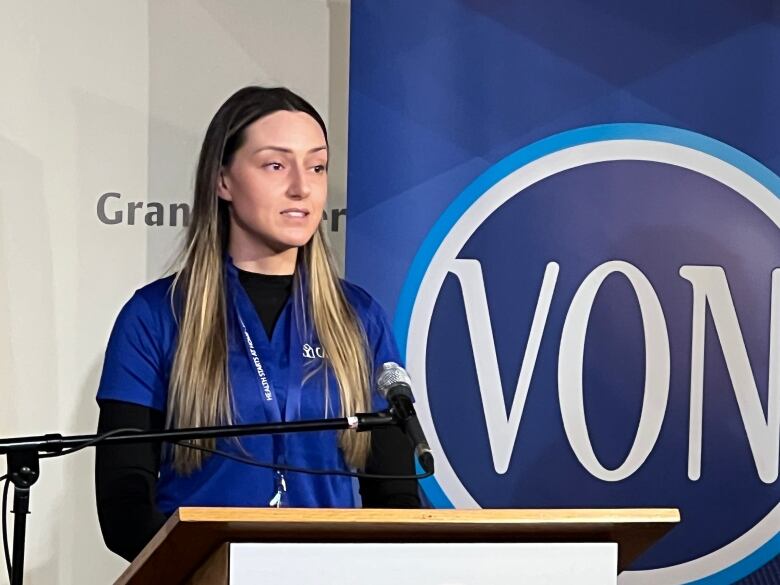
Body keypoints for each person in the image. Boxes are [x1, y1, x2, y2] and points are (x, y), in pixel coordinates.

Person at [94, 86, 420, 562]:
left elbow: (395, 499)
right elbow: (124, 508)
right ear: (223, 180)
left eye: (316, 166)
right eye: (275, 165)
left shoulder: (360, 318)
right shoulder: (155, 316)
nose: (301, 187)